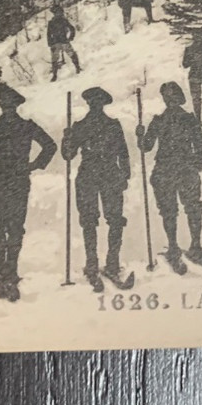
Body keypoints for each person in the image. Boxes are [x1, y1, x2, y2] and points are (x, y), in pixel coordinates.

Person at [0, 81, 57, 301]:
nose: (7, 108)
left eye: (9, 104)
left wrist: (34, 165)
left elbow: (50, 146)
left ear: (14, 106)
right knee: (4, 229)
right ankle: (4, 271)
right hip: (2, 183)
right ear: (2, 106)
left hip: (10, 183)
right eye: (4, 104)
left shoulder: (20, 127)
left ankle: (8, 271)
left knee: (8, 229)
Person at [137, 82, 202, 272]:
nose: (170, 100)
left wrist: (196, 165)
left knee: (193, 208)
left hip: (185, 169)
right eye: (166, 97)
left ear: (179, 98)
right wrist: (140, 136)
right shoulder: (159, 120)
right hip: (164, 169)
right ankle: (173, 247)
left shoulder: (189, 119)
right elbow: (146, 146)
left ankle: (195, 246)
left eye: (173, 97)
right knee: (169, 210)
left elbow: (200, 144)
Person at [63, 87, 132, 290]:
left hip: (110, 173)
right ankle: (91, 265)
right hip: (88, 175)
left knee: (115, 219)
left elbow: (124, 152)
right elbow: (68, 155)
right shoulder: (80, 126)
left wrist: (124, 174)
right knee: (89, 220)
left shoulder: (113, 125)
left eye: (98, 102)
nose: (95, 105)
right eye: (92, 102)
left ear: (103, 103)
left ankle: (112, 263)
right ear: (88, 104)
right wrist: (66, 138)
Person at [46, 4, 81, 81]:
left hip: (64, 41)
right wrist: (50, 43)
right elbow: (48, 34)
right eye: (57, 12)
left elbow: (72, 29)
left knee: (72, 54)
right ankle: (54, 75)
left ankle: (77, 68)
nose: (59, 14)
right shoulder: (51, 22)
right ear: (54, 13)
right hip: (56, 43)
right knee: (54, 59)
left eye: (60, 12)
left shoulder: (63, 21)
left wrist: (71, 37)